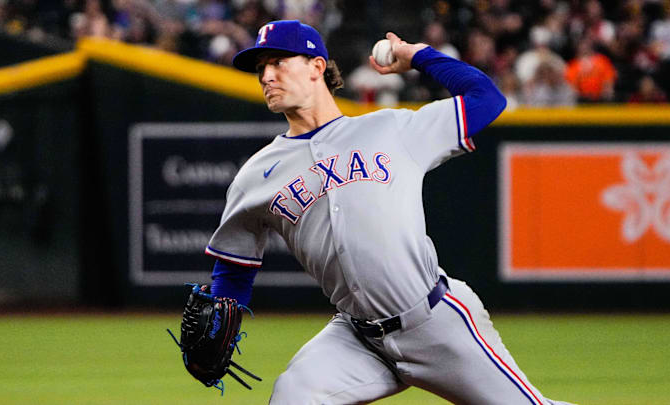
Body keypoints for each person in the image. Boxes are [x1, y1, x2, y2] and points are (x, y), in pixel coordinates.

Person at [205, 19, 576, 404]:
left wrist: (418, 56)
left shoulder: (393, 128)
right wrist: (220, 321)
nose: (266, 75)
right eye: (260, 68)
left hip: (435, 322)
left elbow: (487, 99)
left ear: (317, 66)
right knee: (294, 396)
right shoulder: (255, 176)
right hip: (357, 339)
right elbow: (234, 267)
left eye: (278, 62)